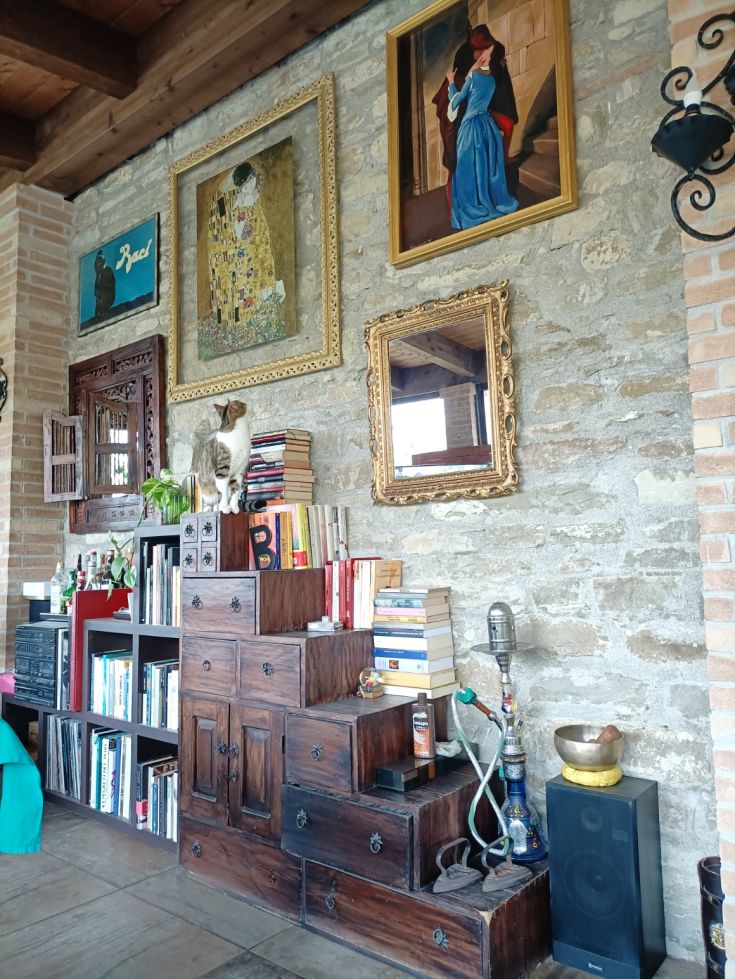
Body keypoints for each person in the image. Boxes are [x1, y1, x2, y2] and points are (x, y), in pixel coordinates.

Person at [432, 25, 518, 208]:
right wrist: (451, 83)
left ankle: (488, 194)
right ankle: (459, 204)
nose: (484, 55)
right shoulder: (464, 75)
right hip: (460, 124)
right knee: (459, 165)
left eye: (486, 51)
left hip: (481, 120)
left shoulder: (486, 71)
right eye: (480, 51)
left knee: (491, 154)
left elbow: (492, 90)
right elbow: (454, 103)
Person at [446, 42, 519, 231]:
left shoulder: (475, 76)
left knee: (466, 170)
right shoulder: (492, 81)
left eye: (485, 51)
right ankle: (489, 201)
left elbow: (457, 102)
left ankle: (474, 207)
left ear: (486, 57)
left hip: (471, 127)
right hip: (488, 127)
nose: (480, 54)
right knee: (485, 168)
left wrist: (451, 82)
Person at [93, 249, 115, 318]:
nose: (98, 264)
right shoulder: (98, 276)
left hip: (106, 301)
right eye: (97, 262)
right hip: (101, 305)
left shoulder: (107, 270)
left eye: (100, 262)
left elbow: (110, 288)